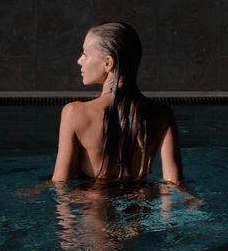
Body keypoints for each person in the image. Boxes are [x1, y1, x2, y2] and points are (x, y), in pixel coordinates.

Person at [51, 21, 182, 184]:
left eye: (85, 54)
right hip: (140, 205)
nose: (79, 60)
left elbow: (60, 184)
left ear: (108, 62)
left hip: (94, 205)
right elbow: (174, 184)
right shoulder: (163, 115)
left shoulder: (74, 113)